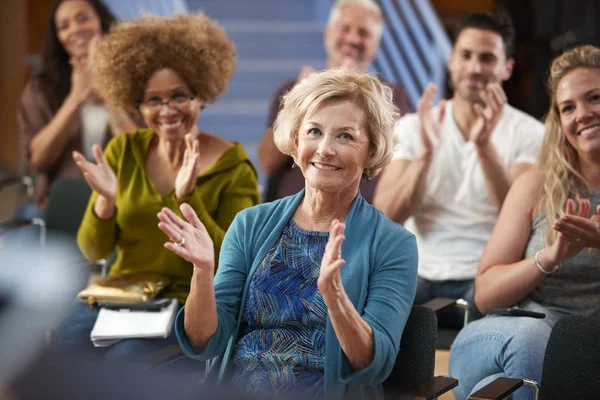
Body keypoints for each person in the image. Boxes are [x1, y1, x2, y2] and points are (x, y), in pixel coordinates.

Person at [158, 69, 418, 399]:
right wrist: (202, 274)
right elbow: (205, 343)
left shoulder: (394, 244)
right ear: (296, 142)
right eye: (314, 131)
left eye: (345, 136)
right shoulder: (249, 224)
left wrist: (336, 300)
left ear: (372, 150)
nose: (325, 149)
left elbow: (374, 364)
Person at [52, 13, 259, 360]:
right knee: (59, 350)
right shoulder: (123, 151)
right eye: (153, 100)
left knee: (124, 360)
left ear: (200, 96)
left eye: (180, 96)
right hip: (118, 295)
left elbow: (235, 263)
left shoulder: (234, 168)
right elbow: (93, 251)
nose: (167, 110)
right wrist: (105, 202)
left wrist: (187, 197)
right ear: (138, 103)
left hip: (185, 303)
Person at [448, 45, 600, 400]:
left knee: (501, 392)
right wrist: (548, 259)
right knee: (537, 346)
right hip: (511, 334)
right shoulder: (536, 184)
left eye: (595, 97)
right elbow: (485, 295)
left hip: (582, 354)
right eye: (568, 107)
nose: (582, 114)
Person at [373, 12, 544, 314]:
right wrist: (424, 158)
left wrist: (484, 147)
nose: (475, 68)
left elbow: (522, 217)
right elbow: (386, 217)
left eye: (487, 58)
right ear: (451, 59)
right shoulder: (414, 127)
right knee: (370, 308)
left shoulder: (530, 133)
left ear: (507, 68)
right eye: (466, 55)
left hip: (488, 274)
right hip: (418, 271)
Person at [258, 0, 411, 203]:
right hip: (293, 216)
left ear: (376, 45)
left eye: (364, 33)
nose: (353, 39)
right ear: (327, 35)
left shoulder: (393, 97)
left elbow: (398, 168)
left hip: (361, 220)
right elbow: (267, 163)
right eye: (345, 29)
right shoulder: (294, 89)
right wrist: (300, 102)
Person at [16, 0, 138, 221]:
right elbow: (37, 161)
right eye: (64, 26)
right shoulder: (41, 88)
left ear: (101, 21)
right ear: (58, 37)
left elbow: (142, 154)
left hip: (124, 204)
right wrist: (76, 98)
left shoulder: (136, 80)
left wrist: (106, 89)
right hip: (56, 206)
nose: (75, 29)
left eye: (83, 19)